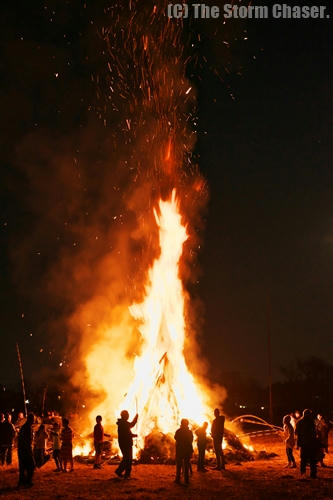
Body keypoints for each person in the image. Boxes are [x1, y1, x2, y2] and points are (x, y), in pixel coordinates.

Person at [114, 410, 138, 479]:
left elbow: (127, 433)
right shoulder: (123, 423)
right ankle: (120, 471)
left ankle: (127, 474)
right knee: (127, 459)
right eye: (127, 415)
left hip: (125, 443)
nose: (128, 416)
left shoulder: (122, 423)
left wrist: (133, 435)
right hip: (125, 444)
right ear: (124, 416)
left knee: (128, 459)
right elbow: (132, 425)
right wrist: (136, 418)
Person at [295, 409, 317, 478]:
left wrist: (298, 444)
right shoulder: (311, 422)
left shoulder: (299, 422)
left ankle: (303, 473)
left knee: (303, 459)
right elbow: (314, 432)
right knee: (312, 459)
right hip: (311, 443)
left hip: (303, 444)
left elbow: (296, 433)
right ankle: (313, 474)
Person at [17, 412, 35, 487]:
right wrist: (29, 450)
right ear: (31, 419)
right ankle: (28, 481)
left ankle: (22, 481)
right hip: (25, 449)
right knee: (32, 465)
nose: (34, 421)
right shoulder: (27, 428)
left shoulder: (24, 427)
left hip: (21, 449)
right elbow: (27, 440)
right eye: (33, 419)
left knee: (23, 466)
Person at [174, 419, 193, 485]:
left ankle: (178, 479)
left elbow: (175, 438)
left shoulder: (178, 431)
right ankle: (186, 480)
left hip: (180, 450)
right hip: (187, 450)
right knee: (186, 465)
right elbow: (191, 440)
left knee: (179, 465)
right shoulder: (189, 432)